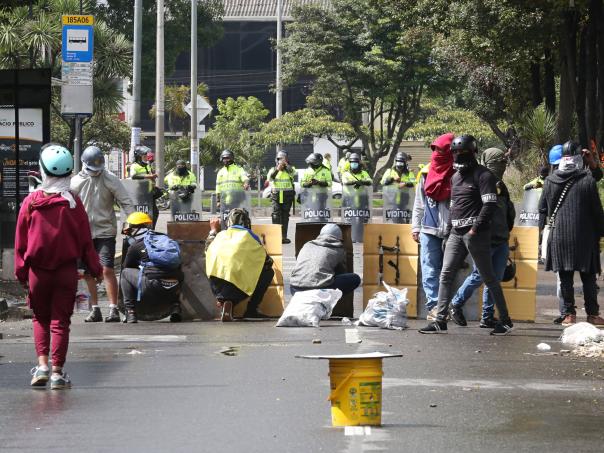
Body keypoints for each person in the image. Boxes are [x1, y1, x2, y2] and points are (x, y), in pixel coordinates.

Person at [15, 144, 102, 389]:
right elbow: (86, 241)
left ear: (42, 170)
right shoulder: (73, 202)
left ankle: (42, 366)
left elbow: (21, 242)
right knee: (60, 322)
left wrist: (21, 273)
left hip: (37, 272)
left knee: (40, 318)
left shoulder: (31, 202)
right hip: (66, 272)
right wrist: (95, 269)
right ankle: (57, 373)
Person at [419, 135, 514, 335]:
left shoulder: (484, 175)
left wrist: (475, 229)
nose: (458, 156)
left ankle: (505, 320)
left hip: (476, 234)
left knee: (488, 277)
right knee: (445, 274)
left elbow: (489, 204)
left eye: (462, 152)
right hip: (456, 233)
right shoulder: (455, 177)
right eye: (455, 152)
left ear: (473, 153)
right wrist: (449, 233)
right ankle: (440, 320)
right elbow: (454, 207)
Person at [448, 147, 515, 328]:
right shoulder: (480, 179)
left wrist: (506, 231)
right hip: (484, 238)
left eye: (503, 162)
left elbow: (508, 210)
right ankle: (456, 303)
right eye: (498, 162)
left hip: (501, 238)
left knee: (495, 279)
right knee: (479, 276)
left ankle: (487, 316)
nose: (502, 165)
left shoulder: (499, 184)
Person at [539, 140, 604, 326]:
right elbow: (597, 211)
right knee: (588, 276)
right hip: (585, 237)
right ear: (578, 158)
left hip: (559, 236)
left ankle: (569, 315)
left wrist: (541, 234)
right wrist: (601, 231)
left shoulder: (550, 181)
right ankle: (592, 315)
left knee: (565, 277)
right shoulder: (587, 181)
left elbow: (542, 209)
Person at [71, 146, 134, 323]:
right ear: (84, 164)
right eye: (92, 169)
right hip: (82, 234)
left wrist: (134, 222)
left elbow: (126, 202)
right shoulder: (75, 182)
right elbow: (65, 204)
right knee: (86, 272)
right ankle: (95, 309)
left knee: (107, 269)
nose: (96, 172)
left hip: (105, 231)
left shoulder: (110, 179)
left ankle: (113, 309)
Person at [411, 133, 454, 320]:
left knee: (450, 270)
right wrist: (415, 227)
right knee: (429, 269)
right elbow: (419, 203)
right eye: (436, 150)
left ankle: (451, 307)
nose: (438, 154)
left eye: (442, 150)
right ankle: (434, 307)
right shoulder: (426, 173)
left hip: (453, 231)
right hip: (429, 228)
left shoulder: (458, 171)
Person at [205, 208, 273, 321]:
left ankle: (224, 302)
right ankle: (251, 309)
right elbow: (267, 261)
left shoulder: (220, 235)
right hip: (238, 286)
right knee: (268, 272)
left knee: (212, 263)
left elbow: (207, 249)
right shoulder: (251, 236)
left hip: (216, 285)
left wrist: (213, 230)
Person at [120, 212, 184, 323]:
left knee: (125, 273)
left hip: (152, 285)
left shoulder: (135, 246)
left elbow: (127, 266)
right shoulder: (165, 239)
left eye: (129, 230)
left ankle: (130, 312)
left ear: (135, 229)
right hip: (175, 285)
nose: (128, 234)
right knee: (172, 271)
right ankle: (175, 308)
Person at [290, 223, 361, 295]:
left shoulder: (307, 245)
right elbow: (342, 272)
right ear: (339, 238)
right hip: (318, 288)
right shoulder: (338, 249)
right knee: (355, 278)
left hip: (295, 288)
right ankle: (334, 299)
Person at [267, 150, 296, 244]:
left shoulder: (290, 169)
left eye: (283, 159)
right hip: (276, 195)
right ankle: (276, 236)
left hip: (287, 195)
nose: (281, 161)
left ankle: (283, 237)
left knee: (285, 216)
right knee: (276, 215)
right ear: (276, 159)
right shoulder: (273, 169)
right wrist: (277, 169)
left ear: (286, 159)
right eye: (279, 159)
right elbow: (270, 178)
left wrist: (286, 165)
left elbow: (293, 173)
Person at [130, 145, 160, 227]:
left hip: (149, 192)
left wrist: (153, 178)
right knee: (141, 213)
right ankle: (139, 229)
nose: (146, 157)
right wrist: (148, 176)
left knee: (154, 213)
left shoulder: (147, 165)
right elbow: (133, 176)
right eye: (144, 156)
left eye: (146, 155)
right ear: (139, 157)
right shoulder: (134, 165)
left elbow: (150, 176)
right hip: (139, 193)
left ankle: (151, 229)